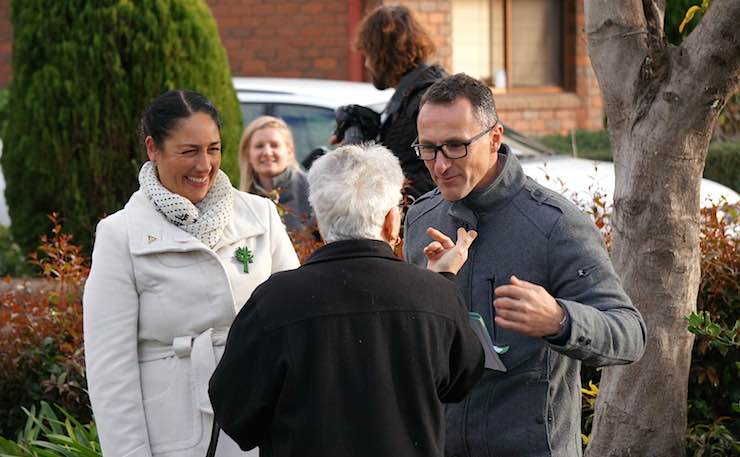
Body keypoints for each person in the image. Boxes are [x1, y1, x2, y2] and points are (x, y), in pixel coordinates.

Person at [403, 73, 647, 457]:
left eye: (455, 147)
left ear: (495, 138)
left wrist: (560, 320)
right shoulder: (421, 218)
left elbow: (630, 333)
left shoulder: (554, 224)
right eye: (428, 149)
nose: (440, 165)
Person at [209, 143, 485, 457]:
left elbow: (234, 411)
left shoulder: (273, 301)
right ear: (390, 222)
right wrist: (442, 283)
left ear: (320, 220)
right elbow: (462, 378)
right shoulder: (435, 295)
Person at [83, 90, 299, 457]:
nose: (204, 165)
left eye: (213, 149)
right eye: (189, 151)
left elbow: (298, 324)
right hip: (172, 435)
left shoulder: (260, 216)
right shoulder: (120, 234)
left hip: (259, 428)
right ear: (153, 149)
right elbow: (110, 371)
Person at [352, 4, 447, 200]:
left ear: (383, 53)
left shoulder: (428, 100)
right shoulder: (411, 96)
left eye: (368, 54)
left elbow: (427, 176)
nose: (367, 65)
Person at [239, 115, 313, 236]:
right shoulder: (240, 202)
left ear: (290, 151)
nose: (267, 152)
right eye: (259, 146)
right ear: (248, 154)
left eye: (274, 145)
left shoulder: (312, 193)